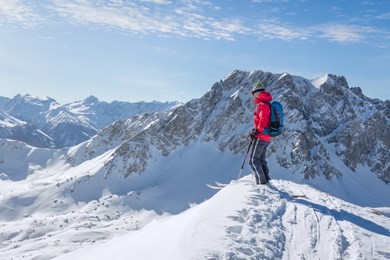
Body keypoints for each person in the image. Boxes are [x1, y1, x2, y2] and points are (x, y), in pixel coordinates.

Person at [249, 82, 272, 185]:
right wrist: (256, 130)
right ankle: (266, 179)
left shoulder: (262, 104)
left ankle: (261, 183)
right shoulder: (266, 103)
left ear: (257, 93)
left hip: (261, 136)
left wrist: (257, 131)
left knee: (253, 160)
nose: (253, 96)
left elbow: (263, 119)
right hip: (266, 137)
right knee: (261, 158)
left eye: (254, 93)